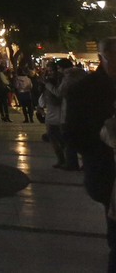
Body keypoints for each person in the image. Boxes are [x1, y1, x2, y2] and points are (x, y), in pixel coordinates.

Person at [66, 37, 116, 272]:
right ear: (101, 58)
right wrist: (104, 141)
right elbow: (73, 135)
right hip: (107, 172)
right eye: (112, 57)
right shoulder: (84, 90)